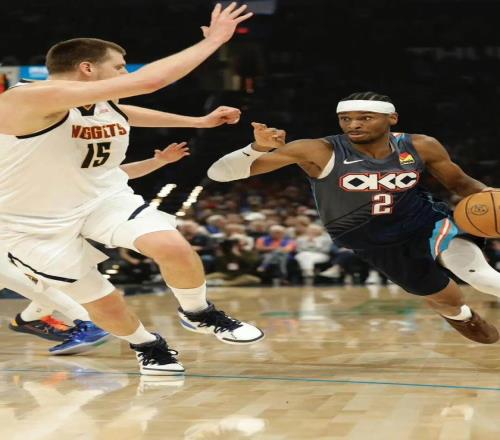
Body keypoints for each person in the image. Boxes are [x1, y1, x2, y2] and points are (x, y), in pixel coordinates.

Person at [0, 2, 263, 376]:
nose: (125, 73)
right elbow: (149, 82)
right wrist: (214, 42)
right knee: (103, 302)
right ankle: (147, 345)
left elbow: (123, 113)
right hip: (30, 222)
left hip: (101, 198)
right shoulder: (26, 98)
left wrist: (198, 122)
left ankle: (198, 312)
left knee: (171, 245)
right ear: (87, 68)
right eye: (119, 67)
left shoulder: (100, 101)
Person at [208, 91, 500, 344]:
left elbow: (461, 183)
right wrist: (257, 148)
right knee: (449, 299)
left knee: (482, 277)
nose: (354, 124)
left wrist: (489, 194)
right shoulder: (318, 150)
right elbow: (218, 174)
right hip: (372, 240)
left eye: (365, 118)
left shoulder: (421, 145)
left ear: (392, 118)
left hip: (426, 221)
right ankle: (461, 316)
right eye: (345, 119)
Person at [6, 142, 189, 355]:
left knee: (27, 276)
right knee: (36, 279)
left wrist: (158, 161)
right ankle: (31, 318)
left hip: (46, 232)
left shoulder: (39, 162)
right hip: (32, 233)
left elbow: (112, 175)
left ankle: (83, 320)